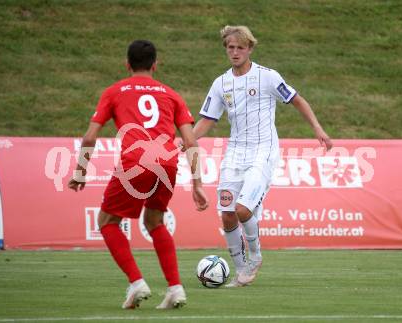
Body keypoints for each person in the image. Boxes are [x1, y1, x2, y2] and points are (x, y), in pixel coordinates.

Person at [68, 40, 209, 309]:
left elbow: (89, 137)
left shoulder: (114, 91)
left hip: (136, 161)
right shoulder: (171, 94)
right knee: (155, 222)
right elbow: (191, 142)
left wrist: (81, 171)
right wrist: (197, 184)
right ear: (155, 65)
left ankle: (136, 283)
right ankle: (175, 289)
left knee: (107, 221)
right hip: (167, 164)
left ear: (127, 64)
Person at [193, 26, 332, 287]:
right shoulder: (221, 83)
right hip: (235, 152)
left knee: (242, 208)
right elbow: (208, 119)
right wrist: (187, 139)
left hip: (263, 150)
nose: (234, 52)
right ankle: (241, 270)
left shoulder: (267, 77)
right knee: (227, 213)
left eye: (240, 48)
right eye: (230, 47)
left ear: (250, 49)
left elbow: (297, 99)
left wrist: (317, 128)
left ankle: (255, 257)